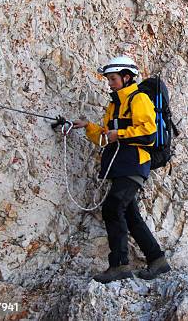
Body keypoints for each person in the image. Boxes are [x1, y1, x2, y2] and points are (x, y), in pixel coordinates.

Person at [72, 55, 171, 283]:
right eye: (108, 78)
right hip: (120, 165)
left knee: (113, 207)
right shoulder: (115, 104)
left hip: (134, 163)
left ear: (127, 77)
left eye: (113, 78)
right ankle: (157, 260)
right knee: (129, 213)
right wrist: (88, 127)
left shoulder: (139, 99)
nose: (109, 82)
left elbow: (149, 134)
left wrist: (120, 134)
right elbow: (106, 138)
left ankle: (119, 265)